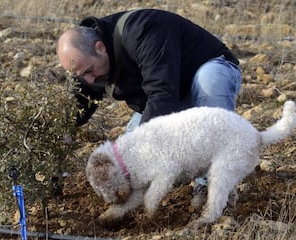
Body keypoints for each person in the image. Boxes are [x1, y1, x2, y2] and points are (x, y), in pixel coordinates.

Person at [56, 8, 242, 194]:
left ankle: (213, 184)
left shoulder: (143, 32)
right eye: (81, 76)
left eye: (88, 71)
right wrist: (58, 136)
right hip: (172, 96)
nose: (89, 80)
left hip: (209, 72)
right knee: (130, 160)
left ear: (100, 47)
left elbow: (162, 93)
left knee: (209, 82)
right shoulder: (87, 64)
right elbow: (77, 107)